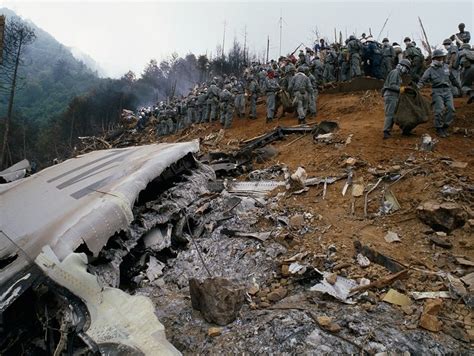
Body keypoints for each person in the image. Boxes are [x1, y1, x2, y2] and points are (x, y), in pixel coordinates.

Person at [417, 49, 462, 138]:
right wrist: (417, 87)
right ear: (434, 59)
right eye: (438, 58)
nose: (440, 60)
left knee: (451, 109)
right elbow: (423, 80)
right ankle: (439, 128)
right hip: (437, 91)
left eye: (441, 58)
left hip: (447, 90)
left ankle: (445, 126)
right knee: (439, 110)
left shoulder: (446, 67)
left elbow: (452, 79)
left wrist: (459, 87)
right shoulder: (430, 70)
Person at [381, 59, 411, 139]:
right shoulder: (395, 72)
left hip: (394, 96)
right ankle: (386, 131)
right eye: (406, 68)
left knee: (395, 113)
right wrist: (403, 89)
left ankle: (403, 129)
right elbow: (392, 85)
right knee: (390, 113)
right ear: (401, 66)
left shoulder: (398, 74)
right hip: (391, 95)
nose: (406, 70)